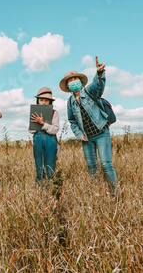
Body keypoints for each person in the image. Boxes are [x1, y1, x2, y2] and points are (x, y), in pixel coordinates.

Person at [60, 56, 117, 190]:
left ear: (80, 81)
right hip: (87, 138)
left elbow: (98, 85)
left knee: (106, 164)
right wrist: (80, 135)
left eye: (75, 79)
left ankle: (115, 192)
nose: (73, 81)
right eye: (70, 80)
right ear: (68, 85)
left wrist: (99, 73)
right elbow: (72, 121)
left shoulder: (90, 91)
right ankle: (98, 192)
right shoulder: (70, 102)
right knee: (92, 166)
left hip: (102, 133)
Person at [29, 87, 60, 185]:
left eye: (46, 100)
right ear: (37, 100)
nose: (43, 102)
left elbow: (55, 129)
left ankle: (51, 188)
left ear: (50, 102)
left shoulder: (54, 113)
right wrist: (36, 122)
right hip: (37, 141)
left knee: (50, 167)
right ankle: (40, 189)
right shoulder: (34, 113)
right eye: (41, 100)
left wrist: (43, 124)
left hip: (50, 141)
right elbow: (31, 130)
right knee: (39, 166)